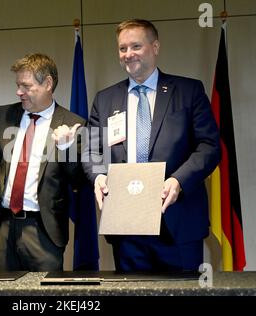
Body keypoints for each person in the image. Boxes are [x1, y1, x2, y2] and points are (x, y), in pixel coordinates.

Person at [82, 19, 221, 272]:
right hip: (126, 226)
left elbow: (209, 147)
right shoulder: (105, 99)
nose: (128, 54)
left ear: (155, 47)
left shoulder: (189, 91)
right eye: (122, 48)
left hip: (177, 222)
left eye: (136, 46)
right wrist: (98, 176)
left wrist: (178, 180)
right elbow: (91, 149)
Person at [0, 53, 84, 271]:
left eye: (26, 86)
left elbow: (79, 180)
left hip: (43, 231)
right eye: (17, 85)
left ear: (48, 84)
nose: (18, 92)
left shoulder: (73, 123)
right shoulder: (4, 115)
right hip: (3, 227)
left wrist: (66, 148)